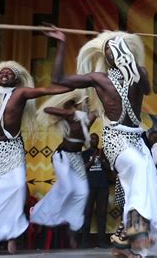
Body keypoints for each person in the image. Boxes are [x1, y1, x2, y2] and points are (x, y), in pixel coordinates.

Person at [50, 28, 157, 257]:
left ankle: (125, 244)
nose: (113, 53)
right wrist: (62, 43)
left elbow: (147, 90)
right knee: (141, 169)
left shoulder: (139, 73)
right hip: (115, 139)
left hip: (136, 138)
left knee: (145, 182)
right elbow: (59, 79)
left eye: (117, 47)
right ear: (105, 57)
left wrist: (132, 66)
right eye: (109, 50)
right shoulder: (99, 78)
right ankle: (132, 231)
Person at [0, 38, 72, 253]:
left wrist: (62, 46)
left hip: (12, 149)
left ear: (17, 78)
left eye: (10, 72)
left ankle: (11, 233)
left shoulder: (21, 93)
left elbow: (53, 88)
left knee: (17, 189)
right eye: (2, 71)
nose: (5, 74)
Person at [31, 89, 96, 248]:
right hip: (62, 156)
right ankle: (38, 211)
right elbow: (47, 109)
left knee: (82, 192)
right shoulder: (71, 115)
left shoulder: (90, 117)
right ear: (77, 105)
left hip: (76, 158)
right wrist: (68, 111)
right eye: (83, 103)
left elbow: (98, 109)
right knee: (67, 188)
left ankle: (71, 223)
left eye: (87, 103)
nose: (86, 105)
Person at [81, 133, 111, 248]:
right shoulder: (84, 154)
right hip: (88, 187)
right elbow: (82, 169)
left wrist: (102, 160)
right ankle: (84, 242)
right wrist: (92, 160)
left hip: (102, 187)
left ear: (98, 140)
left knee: (102, 214)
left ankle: (102, 241)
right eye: (92, 138)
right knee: (87, 213)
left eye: (95, 138)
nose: (94, 140)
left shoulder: (103, 153)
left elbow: (110, 169)